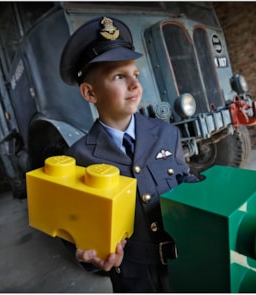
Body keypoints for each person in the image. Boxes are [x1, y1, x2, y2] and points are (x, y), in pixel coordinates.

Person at [59, 16, 198, 292]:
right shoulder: (78, 159)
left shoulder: (166, 134)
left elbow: (184, 179)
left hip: (185, 264)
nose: (135, 85)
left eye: (135, 74)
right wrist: (87, 257)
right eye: (119, 77)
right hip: (133, 278)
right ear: (90, 92)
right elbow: (74, 229)